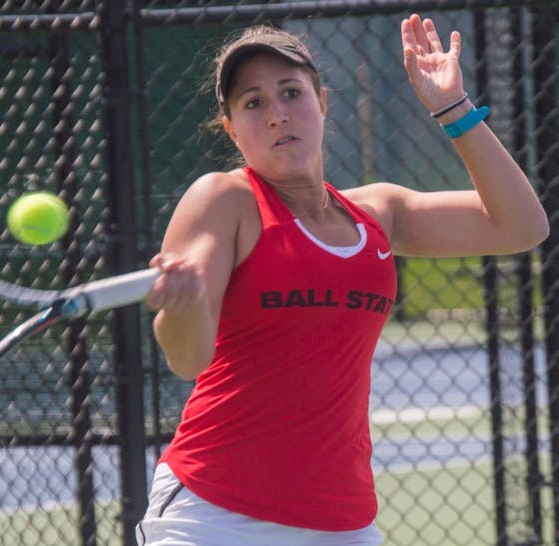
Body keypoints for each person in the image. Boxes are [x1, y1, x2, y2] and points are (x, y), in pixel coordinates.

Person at [137, 13, 548, 546]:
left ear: (322, 103)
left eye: (290, 93)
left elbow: (521, 226)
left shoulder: (379, 212)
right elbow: (186, 358)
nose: (278, 114)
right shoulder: (225, 199)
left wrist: (453, 109)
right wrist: (185, 303)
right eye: (253, 103)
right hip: (213, 513)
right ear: (232, 129)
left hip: (342, 521)